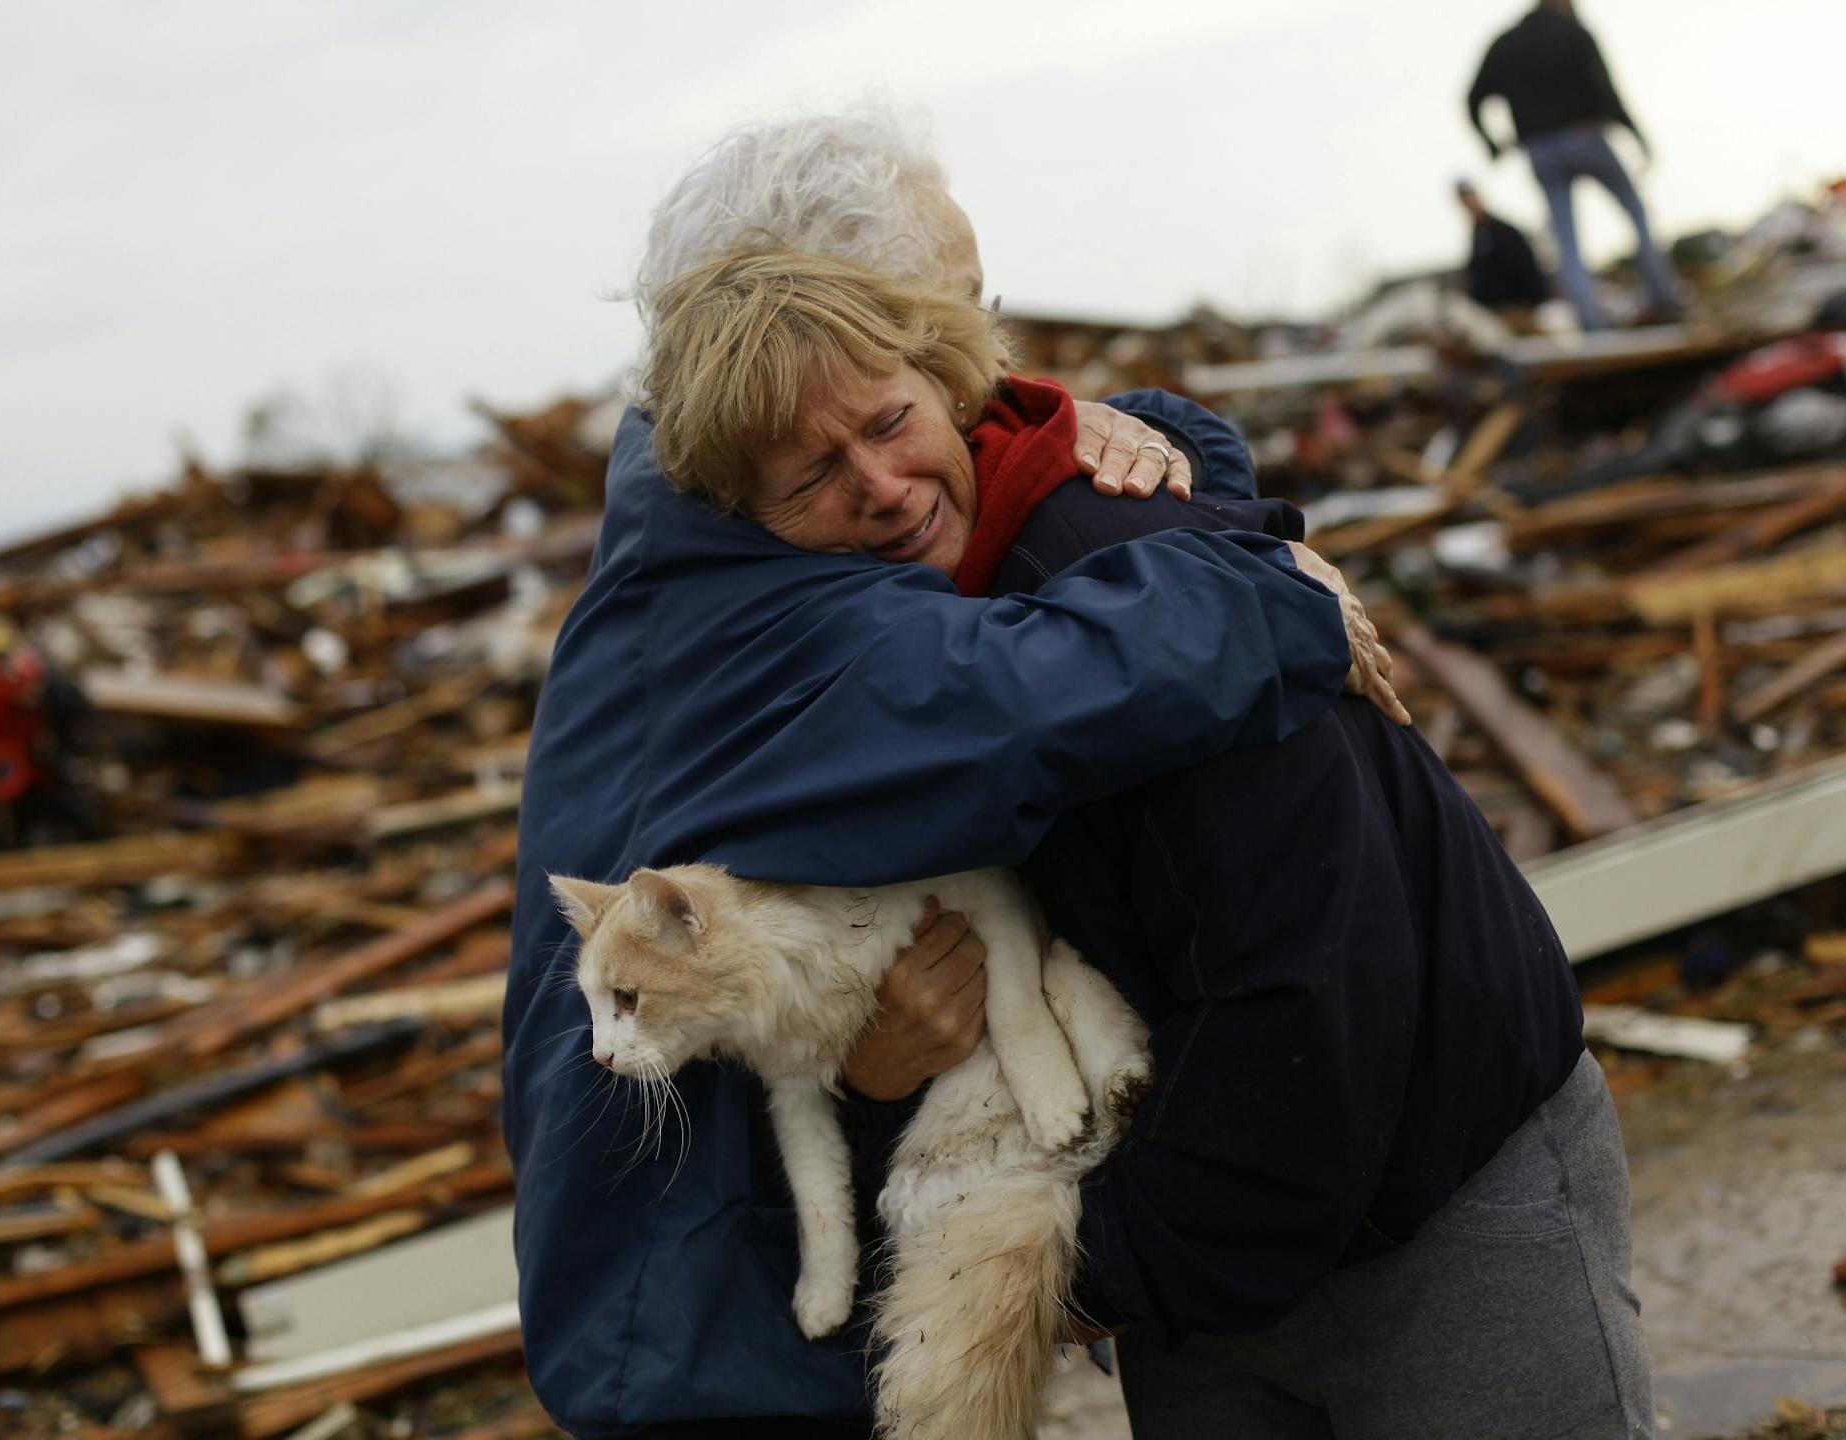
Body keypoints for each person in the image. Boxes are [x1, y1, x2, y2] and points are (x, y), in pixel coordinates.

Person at [640, 245, 1654, 1439]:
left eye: (889, 421)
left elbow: (1312, 980)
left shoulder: (1124, 574)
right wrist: (886, 1074)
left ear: (947, 382)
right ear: (750, 524)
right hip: (1206, 1246)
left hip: (1441, 1203)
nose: (878, 483)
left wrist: (1108, 1273)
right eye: (813, 472)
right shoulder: (869, 670)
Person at [505, 111, 1399, 1439]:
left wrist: (1152, 440)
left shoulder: (715, 509)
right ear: (797, 324)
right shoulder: (753, 594)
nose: (979, 364)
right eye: (946, 310)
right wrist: (1273, 588)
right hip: (702, 1325)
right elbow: (1027, 697)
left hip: (723, 1280)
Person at [1468, 0, 1684, 330]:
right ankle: (1663, 297)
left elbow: (1472, 98)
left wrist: (1493, 146)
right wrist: (1635, 134)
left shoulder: (1505, 44)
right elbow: (1608, 89)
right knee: (1636, 213)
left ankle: (1592, 323)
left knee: (1566, 241)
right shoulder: (1573, 32)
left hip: (1539, 149)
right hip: (1585, 135)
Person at [1458, 178, 1549, 334]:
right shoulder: (1477, 236)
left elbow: (1524, 267)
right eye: (1464, 198)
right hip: (1494, 313)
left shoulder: (1503, 232)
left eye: (1470, 195)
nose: (1469, 202)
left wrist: (1530, 302)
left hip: (1518, 310)